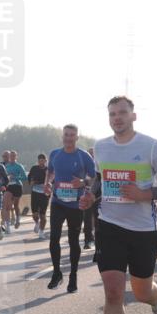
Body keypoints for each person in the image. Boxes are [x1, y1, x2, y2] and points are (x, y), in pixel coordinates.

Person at [82, 96, 157, 314]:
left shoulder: (150, 146)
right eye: (112, 114)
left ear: (133, 116)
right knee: (112, 292)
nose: (117, 118)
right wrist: (91, 196)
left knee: (141, 292)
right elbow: (101, 179)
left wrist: (145, 195)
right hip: (110, 226)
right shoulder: (101, 147)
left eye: (122, 113)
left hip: (143, 231)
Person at [45, 124, 95, 293]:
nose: (68, 137)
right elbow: (50, 171)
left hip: (75, 205)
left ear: (77, 138)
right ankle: (57, 272)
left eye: (72, 135)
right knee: (54, 238)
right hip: (58, 202)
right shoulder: (55, 154)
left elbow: (94, 177)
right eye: (66, 134)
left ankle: (73, 276)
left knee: (74, 241)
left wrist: (83, 183)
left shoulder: (84, 156)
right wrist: (47, 183)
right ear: (62, 136)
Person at [3, 149, 28, 231]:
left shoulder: (19, 166)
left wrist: (15, 177)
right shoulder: (6, 166)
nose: (12, 157)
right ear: (9, 157)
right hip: (9, 187)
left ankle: (17, 219)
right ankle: (7, 226)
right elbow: (3, 177)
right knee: (7, 206)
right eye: (11, 156)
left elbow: (24, 177)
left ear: (16, 157)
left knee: (16, 206)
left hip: (17, 186)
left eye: (14, 156)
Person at [27, 153, 50, 238]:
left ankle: (41, 231)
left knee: (43, 215)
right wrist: (31, 182)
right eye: (39, 160)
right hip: (35, 193)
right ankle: (37, 223)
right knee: (35, 214)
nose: (41, 162)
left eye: (43, 160)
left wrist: (48, 185)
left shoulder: (48, 170)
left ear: (45, 161)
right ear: (38, 161)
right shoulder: (34, 168)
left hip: (45, 194)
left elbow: (53, 180)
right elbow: (29, 177)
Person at [83, 147, 96, 250]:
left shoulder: (100, 165)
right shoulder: (83, 167)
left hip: (99, 197)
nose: (91, 156)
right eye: (89, 154)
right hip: (86, 195)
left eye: (93, 154)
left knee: (98, 220)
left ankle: (99, 240)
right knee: (87, 219)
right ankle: (88, 240)